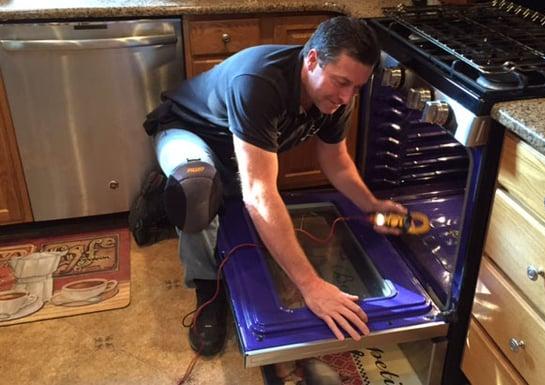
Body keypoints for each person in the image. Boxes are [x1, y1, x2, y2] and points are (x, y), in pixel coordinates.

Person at [143, 16, 407, 357]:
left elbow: (336, 161)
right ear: (312, 59)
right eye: (341, 82)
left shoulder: (338, 96)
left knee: (236, 208)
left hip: (237, 151)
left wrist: (372, 204)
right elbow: (260, 193)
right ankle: (208, 291)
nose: (346, 97)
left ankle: (172, 203)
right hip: (187, 132)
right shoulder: (260, 81)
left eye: (356, 87)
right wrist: (312, 286)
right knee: (197, 189)